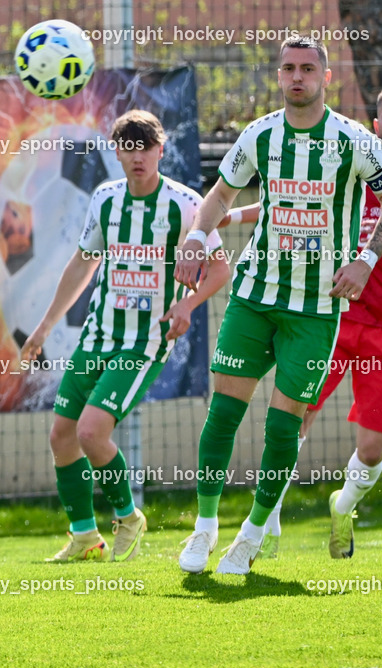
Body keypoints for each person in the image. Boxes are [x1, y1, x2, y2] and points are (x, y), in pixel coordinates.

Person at [174, 37, 382, 576]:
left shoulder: (355, 142)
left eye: (307, 69)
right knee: (222, 415)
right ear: (279, 76)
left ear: (325, 77)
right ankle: (204, 530)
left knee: (283, 428)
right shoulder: (259, 134)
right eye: (288, 69)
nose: (296, 77)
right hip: (254, 296)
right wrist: (197, 236)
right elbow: (221, 195)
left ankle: (250, 539)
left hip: (317, 311)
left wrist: (366, 261)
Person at [21, 110, 231, 563]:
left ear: (160, 150)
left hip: (144, 342)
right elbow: (83, 262)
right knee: (61, 435)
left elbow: (220, 272)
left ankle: (129, 516)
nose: (138, 157)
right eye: (128, 148)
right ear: (117, 152)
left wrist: (186, 306)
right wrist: (44, 326)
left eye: (146, 147)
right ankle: (83, 537)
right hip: (97, 335)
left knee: (92, 432)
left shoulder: (186, 204)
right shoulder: (105, 199)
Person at [257, 83, 382, 560]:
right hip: (332, 319)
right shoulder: (353, 172)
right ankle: (266, 523)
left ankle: (344, 505)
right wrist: (224, 216)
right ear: (376, 126)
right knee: (293, 419)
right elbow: (291, 203)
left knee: (375, 448)